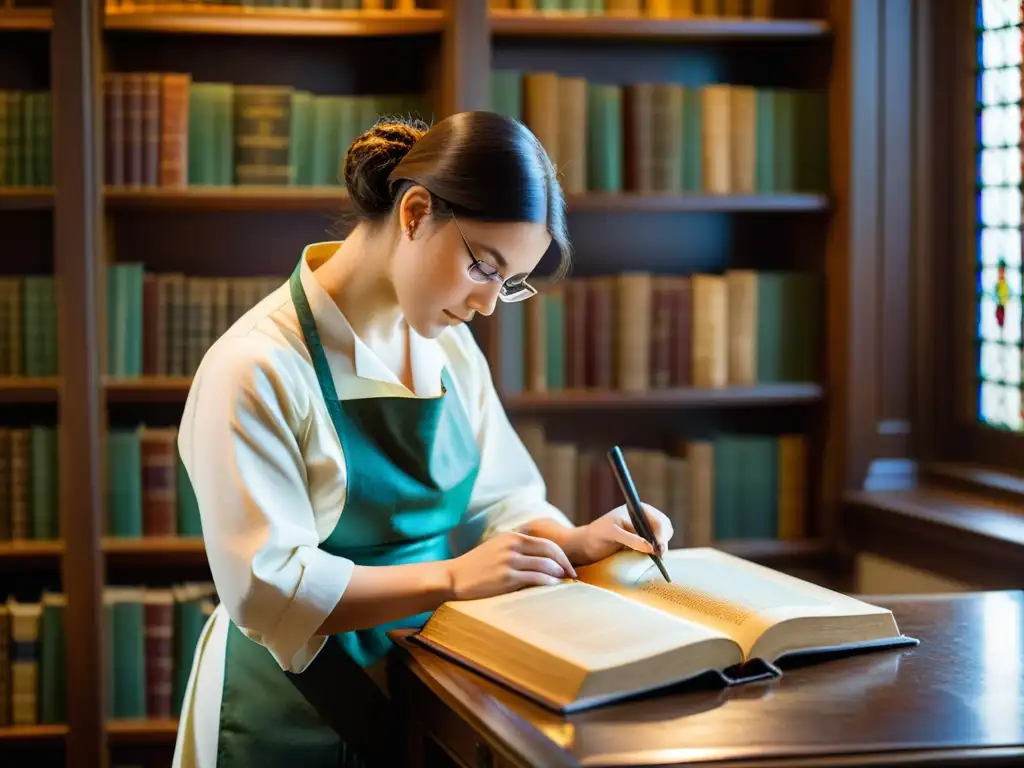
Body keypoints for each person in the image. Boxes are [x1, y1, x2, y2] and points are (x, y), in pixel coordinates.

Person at [170, 111, 673, 768]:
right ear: (413, 214)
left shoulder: (450, 351)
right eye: (483, 267)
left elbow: (505, 503)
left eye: (510, 282)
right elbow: (268, 588)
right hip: (294, 699)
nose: (489, 304)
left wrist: (574, 542)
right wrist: (452, 578)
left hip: (431, 685)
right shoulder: (255, 367)